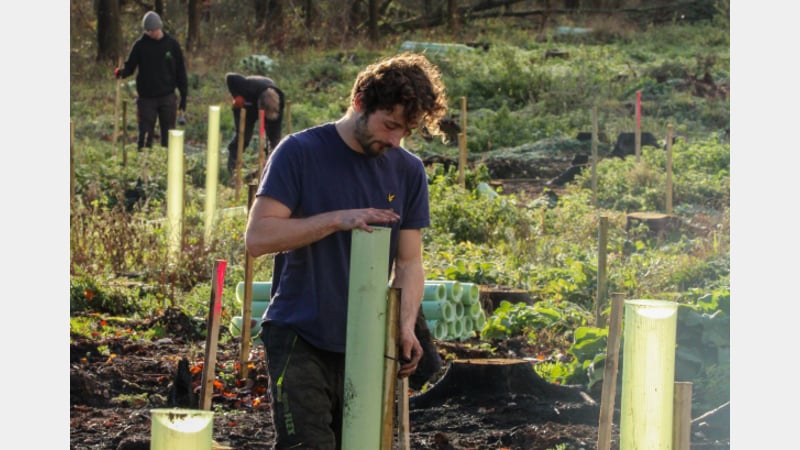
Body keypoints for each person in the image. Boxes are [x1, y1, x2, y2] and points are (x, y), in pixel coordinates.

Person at [245, 52, 448, 450]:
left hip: (369, 339)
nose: (394, 140)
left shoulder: (407, 171)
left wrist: (404, 326)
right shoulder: (299, 152)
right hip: (299, 334)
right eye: (389, 125)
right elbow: (258, 238)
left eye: (404, 131)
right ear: (359, 103)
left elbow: (408, 262)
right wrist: (337, 219)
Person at [115, 11, 188, 151]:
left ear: (158, 28)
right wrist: (121, 73)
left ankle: (168, 167)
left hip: (167, 97)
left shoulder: (172, 45)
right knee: (145, 137)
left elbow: (180, 72)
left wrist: (183, 96)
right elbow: (130, 66)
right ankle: (144, 168)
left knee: (169, 137)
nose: (149, 33)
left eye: (151, 30)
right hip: (146, 99)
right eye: (147, 30)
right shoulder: (140, 45)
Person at [225, 73, 285, 175]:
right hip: (245, 107)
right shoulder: (247, 88)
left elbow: (276, 133)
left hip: (264, 106)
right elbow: (230, 77)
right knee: (242, 138)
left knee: (274, 140)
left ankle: (268, 169)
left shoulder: (279, 102)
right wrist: (237, 96)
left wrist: (273, 150)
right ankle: (233, 168)